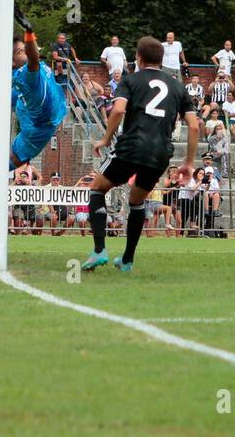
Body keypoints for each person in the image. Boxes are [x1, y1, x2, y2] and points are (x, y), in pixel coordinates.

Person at [82, 36, 199, 272]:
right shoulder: (178, 86)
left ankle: (99, 251)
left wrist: (105, 138)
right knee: (137, 201)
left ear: (139, 58)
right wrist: (188, 162)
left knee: (97, 189)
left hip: (133, 146)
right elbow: (195, 126)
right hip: (160, 153)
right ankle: (127, 259)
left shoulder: (131, 80)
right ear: (162, 59)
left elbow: (118, 109)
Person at [9, 12, 68, 168]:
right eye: (19, 52)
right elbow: (33, 57)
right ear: (13, 62)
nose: (25, 52)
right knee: (10, 163)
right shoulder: (27, 75)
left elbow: (34, 54)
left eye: (23, 48)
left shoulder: (25, 74)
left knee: (10, 162)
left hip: (39, 116)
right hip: (39, 124)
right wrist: (29, 32)